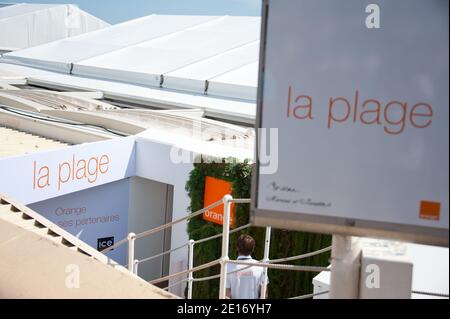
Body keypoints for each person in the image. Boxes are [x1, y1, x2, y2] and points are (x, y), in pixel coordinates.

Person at [225, 234, 268, 299]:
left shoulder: (228, 267)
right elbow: (264, 295)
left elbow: (226, 295)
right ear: (253, 249)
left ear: (237, 248)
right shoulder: (261, 266)